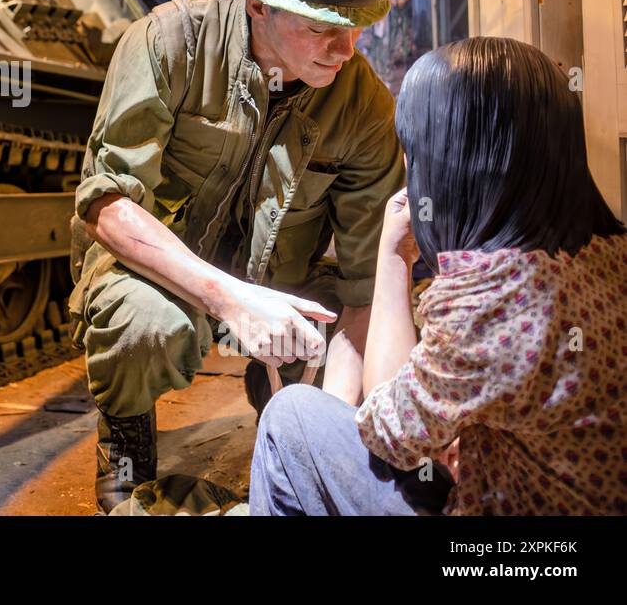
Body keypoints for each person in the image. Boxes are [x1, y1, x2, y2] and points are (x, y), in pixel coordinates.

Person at [71, 0, 405, 512]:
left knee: (340, 337)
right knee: (145, 327)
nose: (346, 49)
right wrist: (232, 302)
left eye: (358, 26)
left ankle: (285, 406)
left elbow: (368, 286)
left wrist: (321, 436)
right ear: (258, 6)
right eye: (321, 27)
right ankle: (125, 438)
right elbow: (107, 208)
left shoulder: (363, 104)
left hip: (288, 278)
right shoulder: (168, 43)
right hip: (167, 268)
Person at [251, 37, 627, 515]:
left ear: (456, 164)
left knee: (290, 415)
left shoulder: (494, 298)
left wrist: (391, 256)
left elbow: (388, 432)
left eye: (413, 150)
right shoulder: (612, 256)